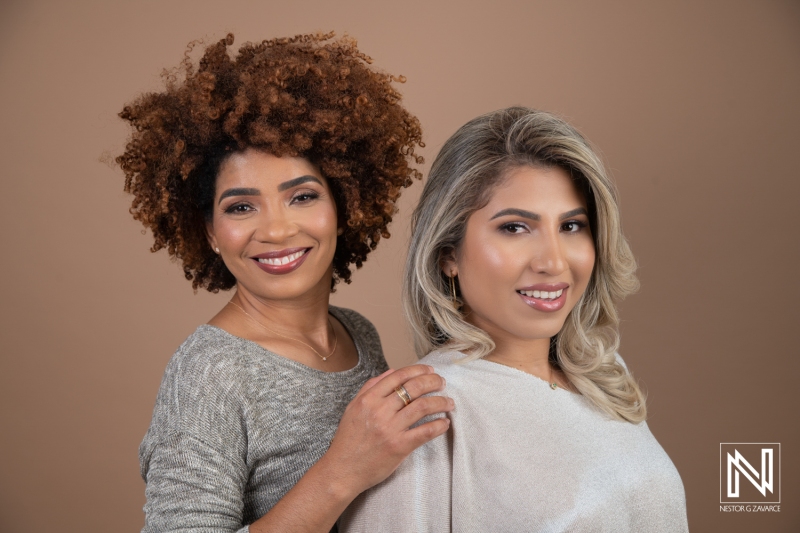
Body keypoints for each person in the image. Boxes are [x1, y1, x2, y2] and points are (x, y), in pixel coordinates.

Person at [116, 33, 454, 533]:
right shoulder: (210, 374)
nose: (275, 230)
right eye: (241, 206)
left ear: (343, 207)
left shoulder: (357, 335)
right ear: (210, 232)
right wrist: (341, 472)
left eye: (302, 197)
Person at [340, 107, 689, 532]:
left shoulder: (604, 375)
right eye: (514, 228)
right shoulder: (424, 413)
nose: (553, 261)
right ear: (448, 253)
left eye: (572, 226)